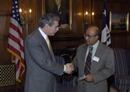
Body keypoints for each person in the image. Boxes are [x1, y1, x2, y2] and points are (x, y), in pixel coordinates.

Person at [24, 13, 74, 92]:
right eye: (56, 26)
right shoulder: (33, 39)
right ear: (46, 26)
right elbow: (43, 62)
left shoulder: (45, 37)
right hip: (38, 86)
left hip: (48, 83)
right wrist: (64, 68)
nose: (58, 29)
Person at [72, 26, 115, 92]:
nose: (86, 38)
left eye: (89, 36)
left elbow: (110, 69)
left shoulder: (107, 51)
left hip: (97, 88)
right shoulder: (81, 48)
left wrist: (94, 77)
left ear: (96, 37)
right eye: (85, 35)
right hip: (81, 87)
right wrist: (72, 66)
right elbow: (76, 61)